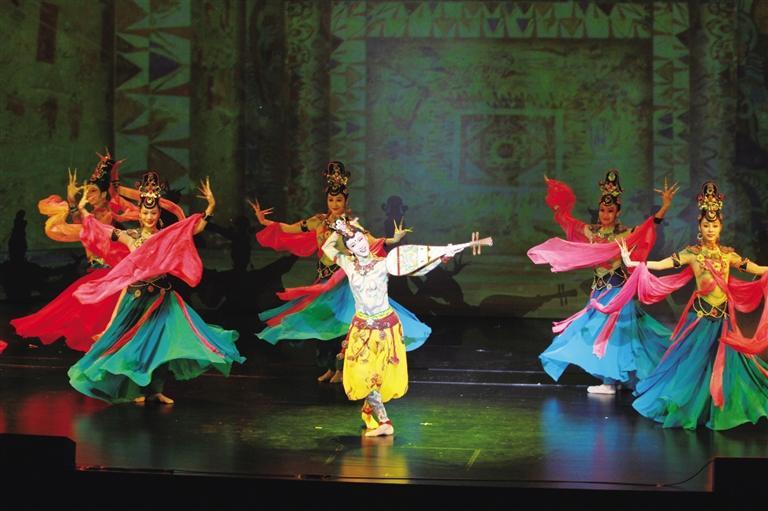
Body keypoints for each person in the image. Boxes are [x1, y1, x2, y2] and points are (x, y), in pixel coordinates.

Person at [67, 172, 245, 404]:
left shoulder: (167, 236)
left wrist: (211, 207)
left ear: (158, 213)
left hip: (162, 298)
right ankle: (137, 390)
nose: (148, 217)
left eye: (152, 213)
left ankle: (156, 390)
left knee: (162, 345)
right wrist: (82, 211)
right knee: (135, 346)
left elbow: (195, 228)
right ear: (139, 214)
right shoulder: (131, 236)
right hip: (137, 299)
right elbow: (103, 230)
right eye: (144, 213)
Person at [250, 161, 429, 383]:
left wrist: (393, 239)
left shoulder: (349, 225)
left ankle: (342, 369)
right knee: (321, 324)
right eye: (331, 200)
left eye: (339, 200)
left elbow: (370, 240)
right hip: (322, 280)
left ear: (346, 202)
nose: (334, 204)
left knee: (342, 326)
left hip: (342, 281)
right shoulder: (318, 221)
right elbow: (290, 228)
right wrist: (265, 221)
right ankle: (327, 366)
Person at [617, 181, 768, 429]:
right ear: (700, 226)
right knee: (692, 367)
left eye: (714, 225)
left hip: (724, 322)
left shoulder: (728, 255)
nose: (710, 229)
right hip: (700, 320)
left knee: (722, 369)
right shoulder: (693, 253)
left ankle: (717, 409)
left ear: (720, 227)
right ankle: (688, 408)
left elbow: (757, 269)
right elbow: (662, 264)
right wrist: (632, 263)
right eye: (706, 225)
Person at [529, 170, 678, 394]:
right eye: (602, 210)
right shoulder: (592, 232)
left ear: (618, 212)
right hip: (599, 292)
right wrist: (556, 199)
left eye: (610, 211)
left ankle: (609, 382)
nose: (605, 214)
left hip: (617, 292)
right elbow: (568, 221)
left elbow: (649, 227)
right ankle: (615, 379)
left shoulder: (625, 233)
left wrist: (664, 207)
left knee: (613, 335)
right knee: (594, 332)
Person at [321, 217, 466, 436]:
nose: (359, 245)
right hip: (362, 328)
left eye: (360, 240)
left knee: (377, 376)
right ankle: (377, 415)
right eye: (353, 244)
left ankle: (384, 422)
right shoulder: (348, 264)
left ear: (366, 239)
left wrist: (442, 256)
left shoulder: (382, 264)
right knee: (364, 374)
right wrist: (342, 228)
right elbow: (327, 247)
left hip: (384, 328)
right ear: (349, 248)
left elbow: (416, 268)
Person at [10, 151, 139, 351]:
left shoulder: (107, 215)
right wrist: (72, 201)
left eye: (93, 191)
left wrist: (77, 206)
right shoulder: (93, 214)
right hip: (96, 271)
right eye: (87, 191)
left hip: (108, 275)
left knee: (79, 305)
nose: (89, 195)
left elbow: (88, 228)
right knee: (69, 304)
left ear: (104, 194)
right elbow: (81, 225)